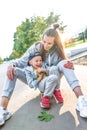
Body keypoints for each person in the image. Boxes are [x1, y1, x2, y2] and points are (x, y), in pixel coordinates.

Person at [0, 23, 87, 126]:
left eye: (49, 43)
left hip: (53, 80)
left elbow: (65, 62)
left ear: (55, 43)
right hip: (37, 79)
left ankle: (81, 101)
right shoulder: (36, 47)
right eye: (44, 41)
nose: (45, 45)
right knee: (12, 70)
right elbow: (21, 61)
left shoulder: (58, 52)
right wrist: (12, 64)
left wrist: (68, 63)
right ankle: (2, 110)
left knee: (64, 63)